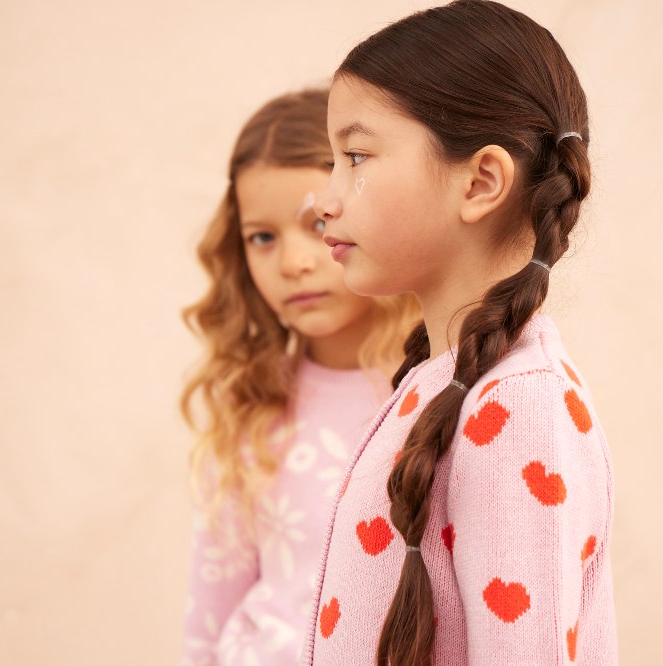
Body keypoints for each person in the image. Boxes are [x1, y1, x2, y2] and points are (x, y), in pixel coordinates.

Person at [304, 2, 618, 664]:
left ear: (480, 182)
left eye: (356, 156)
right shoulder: (447, 381)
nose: (323, 200)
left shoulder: (517, 407)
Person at [179, 87, 419, 666]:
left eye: (316, 224)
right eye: (262, 237)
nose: (293, 263)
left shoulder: (434, 394)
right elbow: (211, 608)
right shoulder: (250, 406)